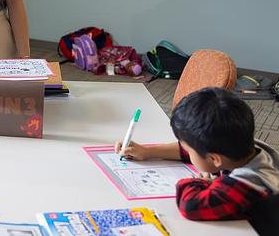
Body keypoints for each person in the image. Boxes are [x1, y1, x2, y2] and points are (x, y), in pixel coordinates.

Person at [116, 87, 279, 222]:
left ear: (214, 158)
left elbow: (190, 206)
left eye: (188, 149)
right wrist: (148, 152)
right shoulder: (241, 143)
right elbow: (198, 150)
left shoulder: (249, 186)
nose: (186, 151)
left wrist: (201, 182)